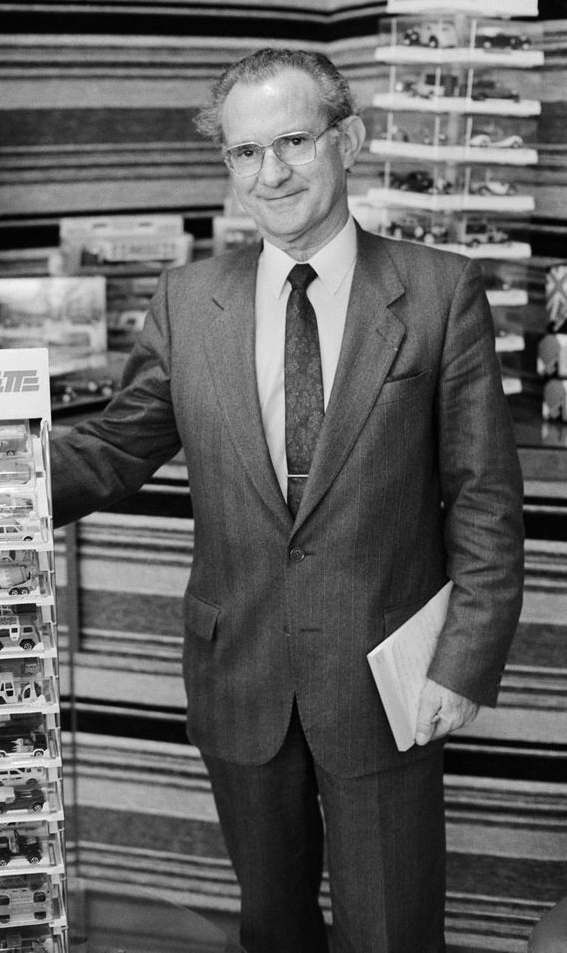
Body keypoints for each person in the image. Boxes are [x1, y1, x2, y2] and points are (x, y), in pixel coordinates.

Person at [51, 47, 525, 953]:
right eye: (243, 152)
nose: (270, 173)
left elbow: (485, 501)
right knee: (271, 927)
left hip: (389, 676)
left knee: (390, 929)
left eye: (295, 142)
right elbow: (116, 448)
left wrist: (463, 663)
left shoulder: (438, 290)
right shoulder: (189, 300)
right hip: (241, 673)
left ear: (347, 140)